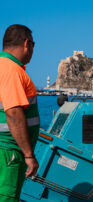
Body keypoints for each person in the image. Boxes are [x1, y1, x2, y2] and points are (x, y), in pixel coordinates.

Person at [0, 24, 39, 201]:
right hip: (9, 152)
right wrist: (28, 155)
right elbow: (14, 114)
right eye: (33, 44)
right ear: (26, 43)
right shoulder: (11, 70)